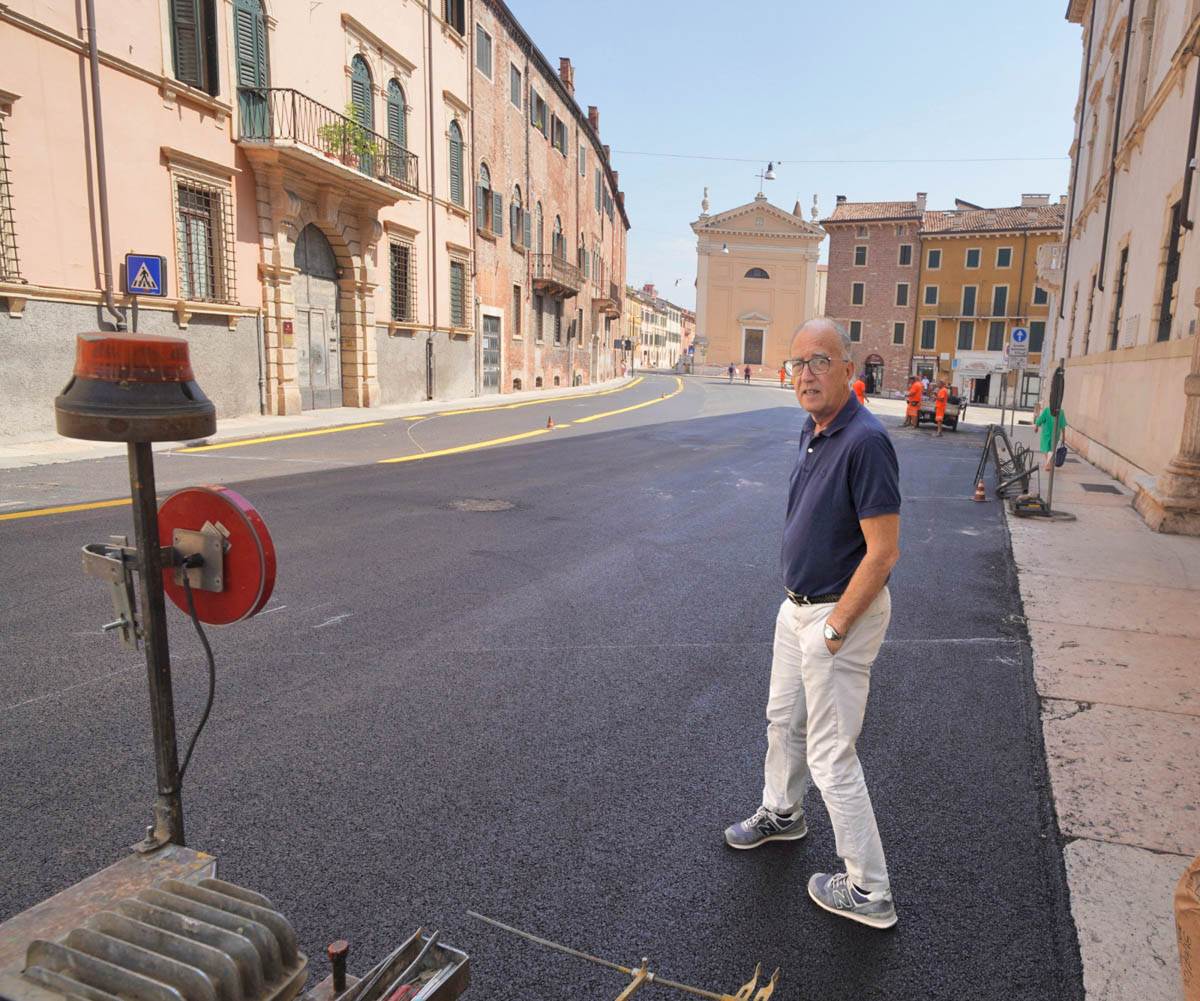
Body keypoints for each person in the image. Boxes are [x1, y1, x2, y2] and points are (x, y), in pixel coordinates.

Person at [724, 317, 902, 930]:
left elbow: (882, 553)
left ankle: (869, 889)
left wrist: (833, 630)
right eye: (797, 363)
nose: (806, 374)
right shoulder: (815, 428)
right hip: (797, 607)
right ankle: (783, 813)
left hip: (836, 613)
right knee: (783, 721)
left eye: (819, 361)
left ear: (849, 369)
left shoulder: (865, 441)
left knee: (830, 754)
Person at [1035, 404, 1067, 471]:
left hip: (1046, 433)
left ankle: (1048, 463)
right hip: (1056, 434)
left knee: (1046, 448)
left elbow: (1040, 420)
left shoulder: (1047, 410)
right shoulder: (1061, 412)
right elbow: (1063, 425)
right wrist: (1064, 436)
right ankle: (1048, 463)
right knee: (1051, 449)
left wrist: (1036, 426)